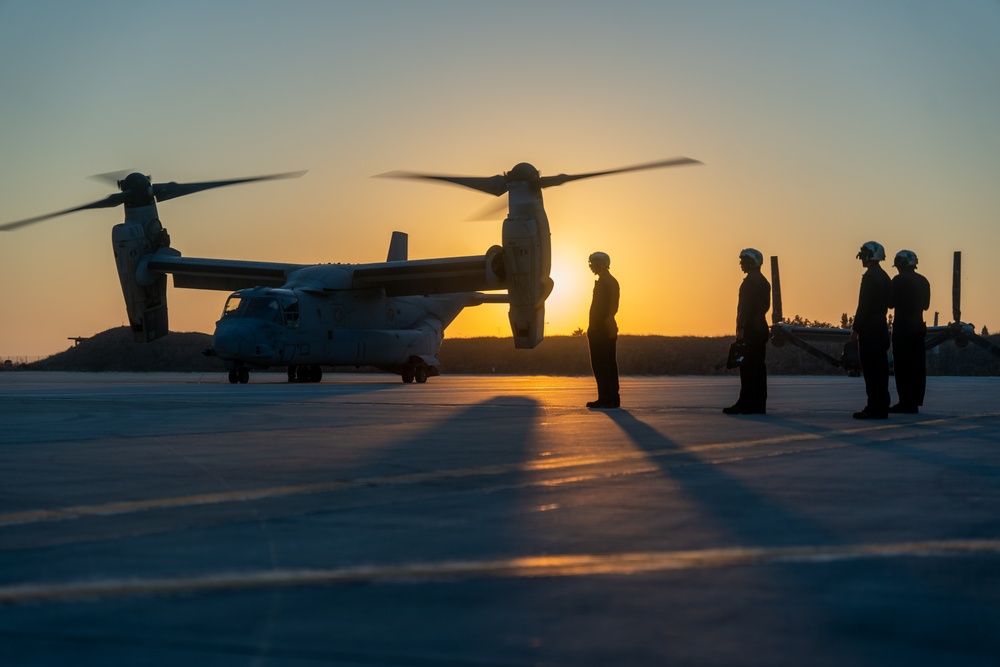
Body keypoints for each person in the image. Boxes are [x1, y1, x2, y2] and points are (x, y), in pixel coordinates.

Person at [724, 248, 770, 415]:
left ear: (752, 262)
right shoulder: (764, 282)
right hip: (762, 328)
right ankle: (758, 404)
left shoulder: (749, 282)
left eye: (744, 261)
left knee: (748, 368)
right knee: (758, 367)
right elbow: (764, 307)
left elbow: (744, 309)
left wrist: (741, 327)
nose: (741, 264)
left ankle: (746, 403)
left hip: (751, 330)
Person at [850, 241, 892, 419]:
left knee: (871, 370)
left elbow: (863, 305)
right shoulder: (884, 276)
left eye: (864, 255)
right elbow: (891, 303)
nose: (862, 259)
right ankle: (882, 405)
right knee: (881, 369)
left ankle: (874, 408)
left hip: (870, 329)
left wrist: (856, 328)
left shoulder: (869, 277)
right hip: (882, 327)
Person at [889, 249, 931, 413]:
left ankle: (905, 401)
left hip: (902, 327)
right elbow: (926, 305)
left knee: (902, 366)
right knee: (917, 366)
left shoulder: (898, 280)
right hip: (918, 327)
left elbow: (891, 303)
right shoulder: (923, 281)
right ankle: (914, 401)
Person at [586, 251, 620, 408]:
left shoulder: (605, 283)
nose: (591, 266)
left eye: (593, 263)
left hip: (601, 328)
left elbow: (603, 308)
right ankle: (612, 397)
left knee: (601, 363)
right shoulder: (610, 281)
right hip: (608, 327)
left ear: (601, 264)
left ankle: (606, 398)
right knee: (609, 363)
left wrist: (594, 326)